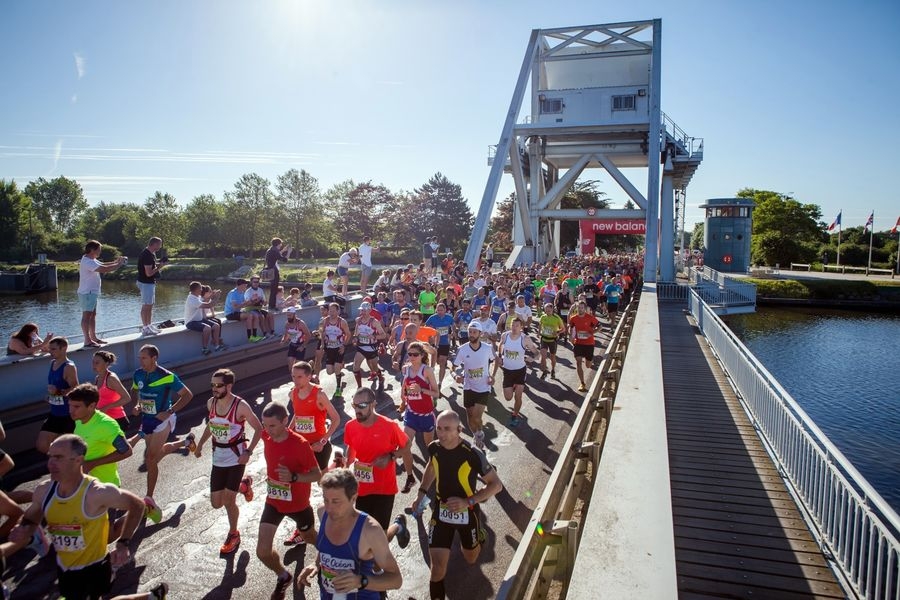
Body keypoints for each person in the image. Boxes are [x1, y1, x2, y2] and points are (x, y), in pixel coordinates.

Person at [9, 434, 159, 600]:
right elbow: (31, 518)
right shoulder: (44, 491)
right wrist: (24, 530)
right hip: (64, 568)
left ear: (78, 460)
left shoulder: (96, 492)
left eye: (58, 457)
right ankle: (151, 597)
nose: (51, 463)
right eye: (50, 456)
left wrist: (123, 543)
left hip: (93, 569)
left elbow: (137, 505)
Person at [411, 410, 503, 600]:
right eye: (439, 428)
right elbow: (431, 465)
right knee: (437, 568)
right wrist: (421, 493)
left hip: (468, 512)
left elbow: (496, 485)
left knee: (471, 558)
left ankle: (479, 537)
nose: (441, 433)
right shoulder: (434, 447)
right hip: (441, 510)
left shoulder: (472, 453)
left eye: (447, 429)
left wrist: (467, 502)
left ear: (459, 430)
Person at [296, 468, 403, 598]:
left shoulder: (370, 530)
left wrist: (360, 581)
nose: (329, 507)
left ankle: (398, 526)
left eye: (336, 501)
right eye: (326, 500)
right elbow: (328, 548)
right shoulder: (322, 513)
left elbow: (396, 579)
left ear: (353, 498)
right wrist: (316, 563)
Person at [193, 369, 263, 555]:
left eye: (218, 385)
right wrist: (200, 445)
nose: (214, 389)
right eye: (212, 385)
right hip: (218, 458)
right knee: (216, 503)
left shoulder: (241, 406)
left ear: (229, 386)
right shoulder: (211, 403)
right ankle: (243, 486)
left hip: (236, 458)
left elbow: (259, 428)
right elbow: (211, 424)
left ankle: (234, 533)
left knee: (228, 501)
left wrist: (248, 451)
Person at [257, 401, 322, 600]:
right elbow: (254, 426)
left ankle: (335, 557)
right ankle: (283, 575)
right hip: (274, 501)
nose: (267, 430)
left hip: (298, 504)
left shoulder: (300, 444)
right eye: (265, 424)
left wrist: (294, 477)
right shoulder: (266, 435)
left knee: (312, 538)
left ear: (285, 421)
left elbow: (317, 475)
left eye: (272, 425)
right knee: (262, 551)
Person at [130, 344, 194, 523]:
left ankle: (149, 500)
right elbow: (136, 390)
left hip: (163, 420)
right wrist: (137, 404)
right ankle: (185, 443)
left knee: (150, 459)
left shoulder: (167, 376)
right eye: (139, 357)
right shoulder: (138, 374)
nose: (140, 361)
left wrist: (170, 411)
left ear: (154, 358)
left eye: (144, 357)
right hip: (147, 419)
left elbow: (187, 395)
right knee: (156, 455)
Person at [343, 387, 413, 549]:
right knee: (365, 534)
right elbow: (351, 447)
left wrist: (391, 456)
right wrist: (347, 465)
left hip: (384, 488)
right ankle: (396, 528)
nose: (357, 411)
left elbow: (407, 444)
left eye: (361, 406)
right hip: (362, 487)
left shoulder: (389, 426)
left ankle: (397, 526)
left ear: (373, 404)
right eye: (354, 406)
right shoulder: (350, 426)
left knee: (380, 539)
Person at [283, 360, 341, 546]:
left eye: (299, 377)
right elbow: (297, 415)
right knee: (300, 488)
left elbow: (336, 419)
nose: (296, 380)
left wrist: (322, 441)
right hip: (302, 447)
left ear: (309, 376)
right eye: (293, 376)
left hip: (318, 447)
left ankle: (339, 517)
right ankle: (302, 529)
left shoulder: (319, 394)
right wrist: (288, 434)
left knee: (323, 485)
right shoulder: (293, 393)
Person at [69, 384, 132, 489]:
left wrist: (92, 464)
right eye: (70, 405)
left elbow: (126, 451)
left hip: (105, 487)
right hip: (83, 486)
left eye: (76, 406)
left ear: (92, 406)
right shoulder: (79, 419)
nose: (71, 410)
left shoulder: (106, 425)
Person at [399, 340, 440, 475]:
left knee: (430, 448)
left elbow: (436, 393)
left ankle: (435, 470)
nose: (411, 357)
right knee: (405, 446)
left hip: (426, 415)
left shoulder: (426, 370)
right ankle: (410, 476)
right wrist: (403, 400)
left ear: (422, 355)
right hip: (411, 413)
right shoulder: (406, 368)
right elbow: (404, 387)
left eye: (415, 354)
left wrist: (421, 389)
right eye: (409, 354)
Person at [454, 322, 496, 450]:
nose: (471, 335)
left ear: (480, 333)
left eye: (474, 332)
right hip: (468, 387)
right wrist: (455, 375)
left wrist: (492, 375)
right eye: (470, 332)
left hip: (483, 387)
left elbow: (495, 361)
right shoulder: (462, 349)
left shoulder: (487, 348)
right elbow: (453, 367)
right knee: (470, 417)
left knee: (477, 417)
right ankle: (477, 433)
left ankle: (479, 435)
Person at [77, 240, 126, 347]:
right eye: (99, 249)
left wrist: (116, 261)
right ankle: (87, 340)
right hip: (87, 293)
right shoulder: (88, 261)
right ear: (92, 250)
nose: (100, 251)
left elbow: (104, 264)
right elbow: (104, 269)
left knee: (92, 315)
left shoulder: (91, 259)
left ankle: (93, 337)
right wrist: (119, 265)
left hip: (91, 293)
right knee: (86, 316)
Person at [37, 337, 79, 454]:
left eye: (53, 349)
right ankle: (62, 463)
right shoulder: (52, 363)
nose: (50, 351)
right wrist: (50, 397)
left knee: (71, 447)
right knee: (42, 445)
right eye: (50, 349)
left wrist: (58, 392)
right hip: (55, 412)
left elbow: (75, 388)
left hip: (68, 414)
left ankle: (69, 466)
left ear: (63, 348)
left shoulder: (68, 367)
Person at [496, 318, 537, 426]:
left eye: (517, 326)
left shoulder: (525, 339)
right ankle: (512, 386)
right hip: (508, 370)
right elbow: (500, 345)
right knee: (508, 398)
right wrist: (500, 356)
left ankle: (515, 415)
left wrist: (533, 359)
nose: (514, 328)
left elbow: (537, 353)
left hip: (520, 371)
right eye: (512, 325)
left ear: (521, 327)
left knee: (518, 396)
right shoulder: (505, 335)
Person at [319, 302, 352, 401]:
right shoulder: (324, 321)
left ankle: (338, 387)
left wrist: (344, 345)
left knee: (337, 369)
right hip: (329, 348)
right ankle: (340, 367)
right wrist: (322, 343)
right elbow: (321, 332)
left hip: (338, 348)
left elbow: (348, 334)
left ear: (338, 311)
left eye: (333, 311)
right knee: (329, 371)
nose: (331, 313)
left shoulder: (342, 322)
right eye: (330, 311)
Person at [92, 350, 131, 433]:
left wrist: (107, 407)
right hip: (103, 419)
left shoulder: (111, 378)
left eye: (97, 362)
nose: (94, 365)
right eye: (93, 362)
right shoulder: (97, 378)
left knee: (119, 446)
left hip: (117, 420)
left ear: (106, 364)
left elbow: (127, 398)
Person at [352, 301, 388, 391]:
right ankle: (359, 387)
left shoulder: (374, 322)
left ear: (369, 311)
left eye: (364, 311)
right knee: (355, 366)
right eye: (361, 311)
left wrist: (374, 336)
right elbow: (356, 333)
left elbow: (383, 335)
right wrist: (355, 338)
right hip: (361, 347)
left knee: (374, 367)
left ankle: (380, 377)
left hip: (371, 348)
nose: (362, 313)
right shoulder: (358, 320)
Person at [184, 281, 225, 355]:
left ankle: (217, 346)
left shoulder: (196, 296)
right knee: (207, 328)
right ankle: (204, 349)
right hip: (191, 322)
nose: (201, 290)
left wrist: (212, 295)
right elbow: (209, 305)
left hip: (199, 320)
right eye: (200, 288)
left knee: (216, 326)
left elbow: (205, 301)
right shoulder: (192, 299)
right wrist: (217, 297)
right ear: (196, 289)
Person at [137, 237, 167, 336]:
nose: (160, 246)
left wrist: (159, 264)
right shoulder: (147, 255)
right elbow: (149, 273)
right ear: (154, 244)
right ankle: (145, 328)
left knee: (150, 305)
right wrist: (159, 267)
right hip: (146, 282)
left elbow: (151, 266)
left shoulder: (151, 254)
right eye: (159, 244)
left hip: (149, 282)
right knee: (146, 305)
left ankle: (149, 325)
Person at [568, 300, 601, 392]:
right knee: (578, 363)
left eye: (582, 308)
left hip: (589, 344)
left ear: (585, 309)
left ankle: (590, 360)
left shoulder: (590, 317)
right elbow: (571, 328)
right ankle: (582, 383)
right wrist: (571, 336)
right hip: (578, 343)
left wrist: (592, 333)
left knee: (588, 365)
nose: (580, 309)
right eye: (579, 307)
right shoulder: (573, 318)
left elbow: (600, 326)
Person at [425, 302, 455, 385]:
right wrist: (430, 335)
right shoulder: (432, 318)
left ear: (445, 310)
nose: (439, 312)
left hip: (445, 343)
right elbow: (426, 326)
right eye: (438, 310)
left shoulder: (449, 317)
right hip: (435, 343)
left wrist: (453, 333)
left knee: (442, 362)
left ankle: (440, 383)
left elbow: (453, 325)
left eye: (441, 310)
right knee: (437, 361)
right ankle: (442, 363)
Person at [537, 303, 566, 379]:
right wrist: (538, 332)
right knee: (543, 356)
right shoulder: (543, 317)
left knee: (552, 357)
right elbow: (540, 324)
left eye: (549, 311)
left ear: (552, 310)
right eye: (546, 311)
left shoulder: (557, 318)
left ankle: (553, 370)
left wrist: (557, 332)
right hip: (544, 339)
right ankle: (544, 372)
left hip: (552, 340)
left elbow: (563, 329)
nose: (548, 312)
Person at [280, 307, 312, 372]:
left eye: (290, 315)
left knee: (298, 367)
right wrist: (283, 340)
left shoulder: (300, 323)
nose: (288, 317)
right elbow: (286, 335)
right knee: (291, 368)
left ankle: (309, 366)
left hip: (300, 346)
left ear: (294, 315)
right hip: (292, 345)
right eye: (287, 315)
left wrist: (303, 346)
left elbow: (308, 335)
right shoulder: (287, 324)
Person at [265, 237, 291, 310]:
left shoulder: (270, 250)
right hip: (274, 272)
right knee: (274, 289)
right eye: (280, 244)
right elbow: (284, 260)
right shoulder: (274, 251)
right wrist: (288, 252)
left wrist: (283, 250)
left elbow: (276, 256)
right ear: (278, 244)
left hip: (270, 271)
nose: (281, 245)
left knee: (273, 289)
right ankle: (272, 306)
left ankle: (271, 305)